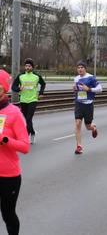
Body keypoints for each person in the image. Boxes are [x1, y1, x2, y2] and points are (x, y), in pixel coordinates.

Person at [0, 69, 30, 235]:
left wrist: (4, 139)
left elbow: (25, 146)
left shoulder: (14, 113)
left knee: (7, 214)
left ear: (5, 90)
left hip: (8, 176)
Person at [11, 58, 46, 144]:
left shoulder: (37, 76)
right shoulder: (20, 76)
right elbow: (13, 87)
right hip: (23, 100)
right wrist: (19, 88)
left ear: (32, 67)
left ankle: (26, 136)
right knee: (27, 119)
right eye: (26, 66)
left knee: (29, 118)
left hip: (33, 100)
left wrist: (41, 93)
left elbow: (43, 84)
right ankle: (32, 132)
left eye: (29, 66)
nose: (27, 67)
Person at [73, 60, 102, 154]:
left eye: (82, 67)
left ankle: (93, 128)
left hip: (88, 104)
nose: (80, 69)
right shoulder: (76, 79)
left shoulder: (91, 78)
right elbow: (78, 90)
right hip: (79, 104)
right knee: (77, 124)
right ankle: (79, 146)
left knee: (88, 126)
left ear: (85, 68)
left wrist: (88, 89)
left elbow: (100, 89)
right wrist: (75, 89)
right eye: (78, 68)